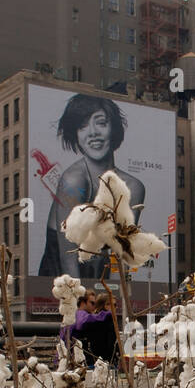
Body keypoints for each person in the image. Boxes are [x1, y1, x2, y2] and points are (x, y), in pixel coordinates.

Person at [37, 95, 147, 278]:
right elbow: (68, 259)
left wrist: (120, 300)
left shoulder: (134, 187)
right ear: (75, 134)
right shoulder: (73, 181)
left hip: (102, 275)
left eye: (101, 123)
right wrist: (79, 304)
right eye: (82, 126)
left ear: (113, 129)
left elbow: (122, 252)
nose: (93, 133)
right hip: (62, 279)